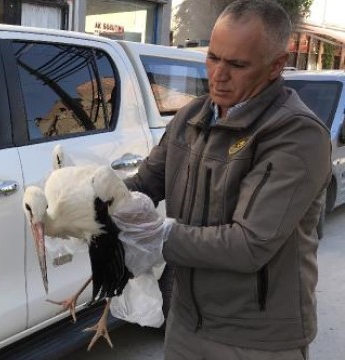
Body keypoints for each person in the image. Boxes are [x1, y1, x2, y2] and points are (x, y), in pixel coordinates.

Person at [124, 0, 332, 359]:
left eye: (237, 64)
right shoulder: (191, 117)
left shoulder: (296, 134)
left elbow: (249, 244)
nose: (218, 75)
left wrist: (157, 235)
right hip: (186, 322)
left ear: (276, 66)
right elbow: (144, 184)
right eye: (213, 57)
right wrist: (87, 198)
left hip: (256, 337)